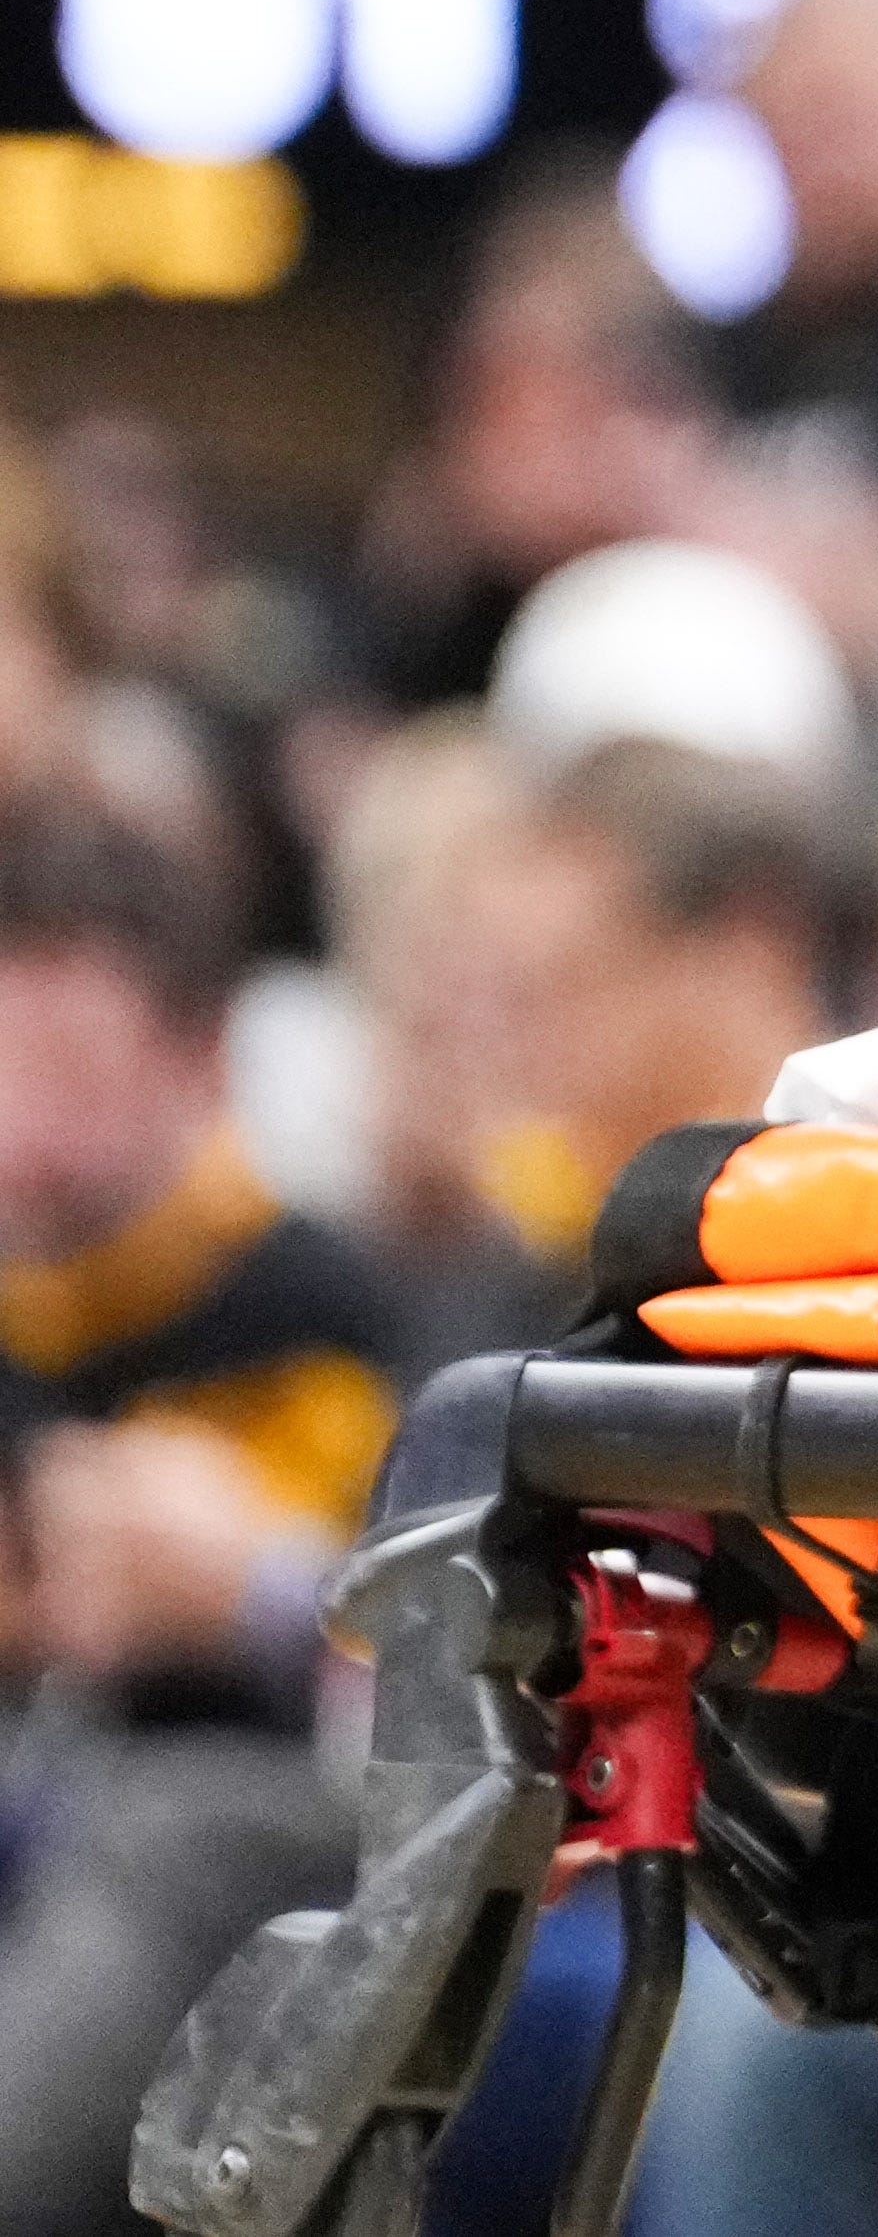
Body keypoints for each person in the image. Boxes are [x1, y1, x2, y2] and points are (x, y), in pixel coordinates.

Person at [0, 800, 410, 2237]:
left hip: (251, 1810)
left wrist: (248, 1585)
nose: (24, 1123)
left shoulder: (320, 1309)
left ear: (202, 1063)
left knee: (154, 1839)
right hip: (56, 1789)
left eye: (70, 1066)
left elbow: (406, 1667)